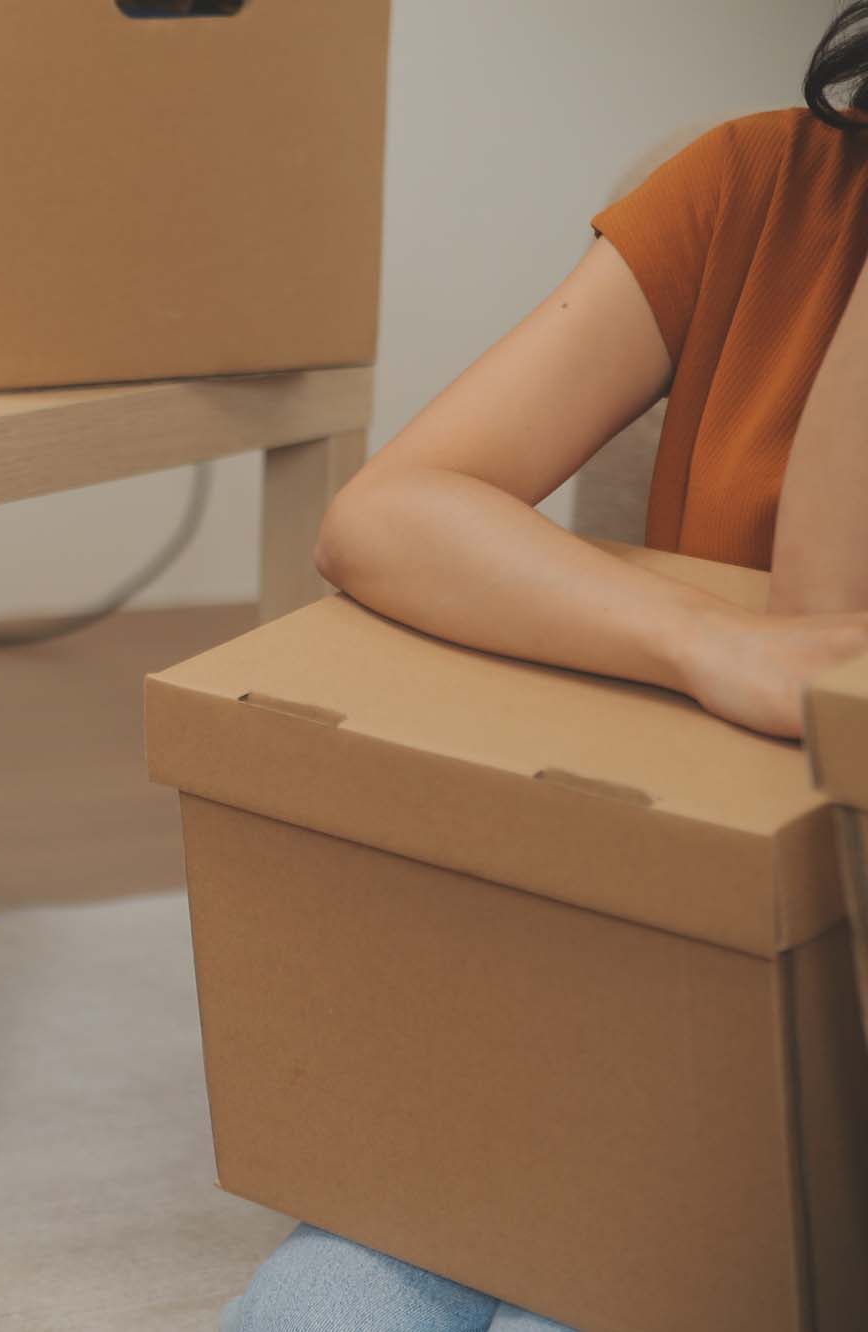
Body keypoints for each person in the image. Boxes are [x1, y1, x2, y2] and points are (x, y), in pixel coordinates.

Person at [224, 6, 868, 1330]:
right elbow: (385, 517)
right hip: (663, 981)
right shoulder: (761, 182)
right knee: (318, 1310)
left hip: (833, 1057)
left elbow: (834, 617)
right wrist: (699, 644)